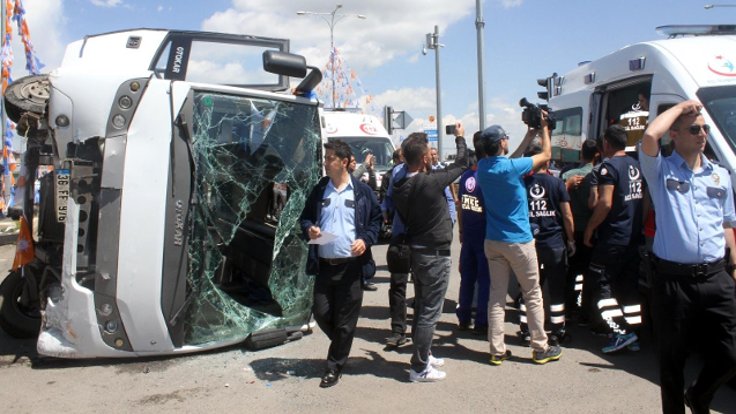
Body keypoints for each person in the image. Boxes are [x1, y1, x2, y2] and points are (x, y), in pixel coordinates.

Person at [640, 99, 736, 414]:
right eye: (694, 129)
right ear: (675, 135)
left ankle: (699, 395)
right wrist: (682, 107)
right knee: (672, 365)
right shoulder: (660, 170)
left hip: (715, 277)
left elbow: (727, 226)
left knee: (731, 353)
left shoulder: (720, 175)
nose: (702, 134)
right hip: (672, 283)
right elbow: (650, 137)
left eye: (705, 128)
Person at [476, 116, 563, 366]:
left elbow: (509, 157)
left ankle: (497, 350)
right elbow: (546, 154)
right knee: (532, 293)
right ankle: (540, 347)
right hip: (519, 241)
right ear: (502, 142)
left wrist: (529, 134)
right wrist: (544, 129)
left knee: (497, 296)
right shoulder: (512, 169)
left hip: (493, 241)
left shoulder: (484, 167)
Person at [299, 140, 381, 388]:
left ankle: (334, 366)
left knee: (346, 320)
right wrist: (309, 229)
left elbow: (377, 221)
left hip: (351, 267)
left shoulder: (361, 191)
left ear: (343, 162)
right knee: (321, 313)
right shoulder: (321, 188)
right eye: (325, 158)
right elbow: (305, 218)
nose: (325, 162)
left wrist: (365, 241)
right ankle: (342, 343)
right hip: (324, 264)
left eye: (329, 158)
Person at [393, 122, 468, 382]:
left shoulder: (400, 185)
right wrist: (460, 137)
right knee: (429, 312)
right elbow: (461, 164)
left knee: (423, 306)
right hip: (434, 255)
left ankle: (423, 353)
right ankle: (419, 367)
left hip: (418, 253)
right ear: (425, 158)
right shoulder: (429, 182)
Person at [583, 125, 644, 354]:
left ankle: (621, 332)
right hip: (632, 237)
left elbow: (605, 203)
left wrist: (590, 229)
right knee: (628, 287)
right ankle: (633, 334)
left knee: (602, 284)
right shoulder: (636, 165)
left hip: (613, 238)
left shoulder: (608, 167)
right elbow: (644, 202)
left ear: (606, 143)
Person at [519, 144, 575, 346]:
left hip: (529, 244)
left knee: (530, 288)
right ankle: (557, 330)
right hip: (554, 243)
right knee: (557, 289)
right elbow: (567, 216)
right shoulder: (557, 183)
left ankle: (526, 330)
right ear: (548, 162)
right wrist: (571, 240)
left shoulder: (522, 184)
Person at [456, 131, 491, 335]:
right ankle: (482, 321)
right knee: (484, 279)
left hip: (468, 233)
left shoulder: (466, 176)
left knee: (467, 277)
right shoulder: (485, 177)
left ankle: (463, 317)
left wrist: (461, 229)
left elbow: (461, 205)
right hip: (484, 234)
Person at [561, 140, 600, 322]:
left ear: (581, 153)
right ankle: (585, 312)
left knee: (571, 272)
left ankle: (568, 308)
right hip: (591, 231)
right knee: (588, 273)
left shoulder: (567, 174)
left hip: (571, 230)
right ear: (597, 154)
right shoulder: (598, 174)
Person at [381, 146, 411, 348]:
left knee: (424, 288)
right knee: (398, 285)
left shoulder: (432, 174)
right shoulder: (397, 173)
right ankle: (398, 330)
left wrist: (450, 223)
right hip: (400, 237)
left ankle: (422, 331)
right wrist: (385, 211)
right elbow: (388, 199)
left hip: (425, 240)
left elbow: (448, 201)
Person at [349, 153, 379, 291]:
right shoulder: (342, 181)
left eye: (356, 161)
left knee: (364, 253)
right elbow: (352, 178)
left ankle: (364, 278)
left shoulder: (361, 182)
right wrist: (364, 165)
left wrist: (371, 170)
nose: (354, 164)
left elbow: (373, 186)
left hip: (363, 218)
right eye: (352, 161)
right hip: (351, 223)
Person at [431, 147, 459, 225]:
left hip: (446, 193)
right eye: (431, 155)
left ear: (438, 155)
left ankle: (452, 222)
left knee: (451, 212)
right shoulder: (428, 168)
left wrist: (454, 196)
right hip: (436, 195)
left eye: (435, 154)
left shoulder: (444, 166)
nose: (433, 156)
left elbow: (451, 182)